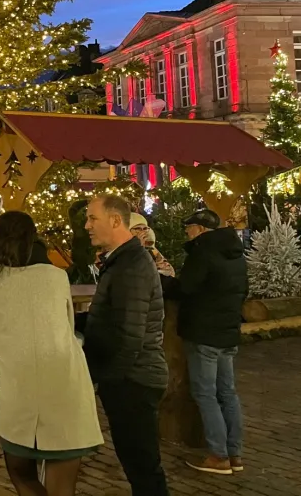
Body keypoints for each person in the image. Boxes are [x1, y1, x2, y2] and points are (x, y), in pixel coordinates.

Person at [0, 211, 102, 496]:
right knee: (63, 484)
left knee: (21, 473)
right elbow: (67, 325)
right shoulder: (57, 277)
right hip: (66, 384)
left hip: (20, 388)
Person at [84, 195, 169, 496]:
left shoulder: (131, 265)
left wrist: (107, 378)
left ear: (116, 220)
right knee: (139, 466)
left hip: (133, 380)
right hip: (130, 378)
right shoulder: (122, 261)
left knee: (143, 469)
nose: (87, 226)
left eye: (93, 218)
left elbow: (130, 336)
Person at [177, 209, 248, 476]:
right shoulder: (236, 254)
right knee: (227, 393)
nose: (187, 232)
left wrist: (162, 281)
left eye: (190, 227)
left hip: (204, 333)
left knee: (206, 394)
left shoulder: (203, 252)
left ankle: (218, 456)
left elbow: (186, 287)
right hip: (227, 332)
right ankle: (234, 453)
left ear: (201, 229)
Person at [128, 214, 175, 278]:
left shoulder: (150, 247)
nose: (142, 232)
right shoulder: (126, 250)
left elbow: (170, 272)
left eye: (145, 228)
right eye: (138, 228)